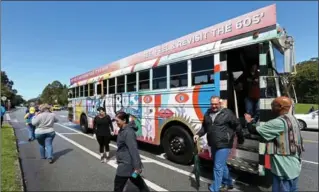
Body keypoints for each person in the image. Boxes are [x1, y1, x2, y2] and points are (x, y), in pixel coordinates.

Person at [244, 96, 304, 192]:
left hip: (283, 168)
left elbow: (254, 131)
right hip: (294, 165)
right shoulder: (293, 119)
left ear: (280, 106)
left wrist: (248, 121)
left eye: (273, 105)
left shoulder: (278, 122)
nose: (271, 107)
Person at [193, 96, 244, 192]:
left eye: (216, 104)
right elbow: (205, 127)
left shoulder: (227, 113)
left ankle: (215, 188)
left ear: (219, 103)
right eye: (212, 104)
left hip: (224, 144)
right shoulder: (208, 113)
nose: (214, 106)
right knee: (221, 164)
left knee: (217, 167)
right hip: (213, 143)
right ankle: (228, 183)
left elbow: (237, 125)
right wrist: (198, 134)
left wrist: (241, 139)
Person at [113, 111, 150, 192]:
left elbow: (133, 149)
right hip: (127, 165)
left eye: (117, 121)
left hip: (126, 165)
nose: (116, 123)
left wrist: (137, 167)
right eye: (115, 121)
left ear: (124, 121)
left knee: (118, 185)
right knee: (137, 180)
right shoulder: (122, 129)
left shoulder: (129, 132)